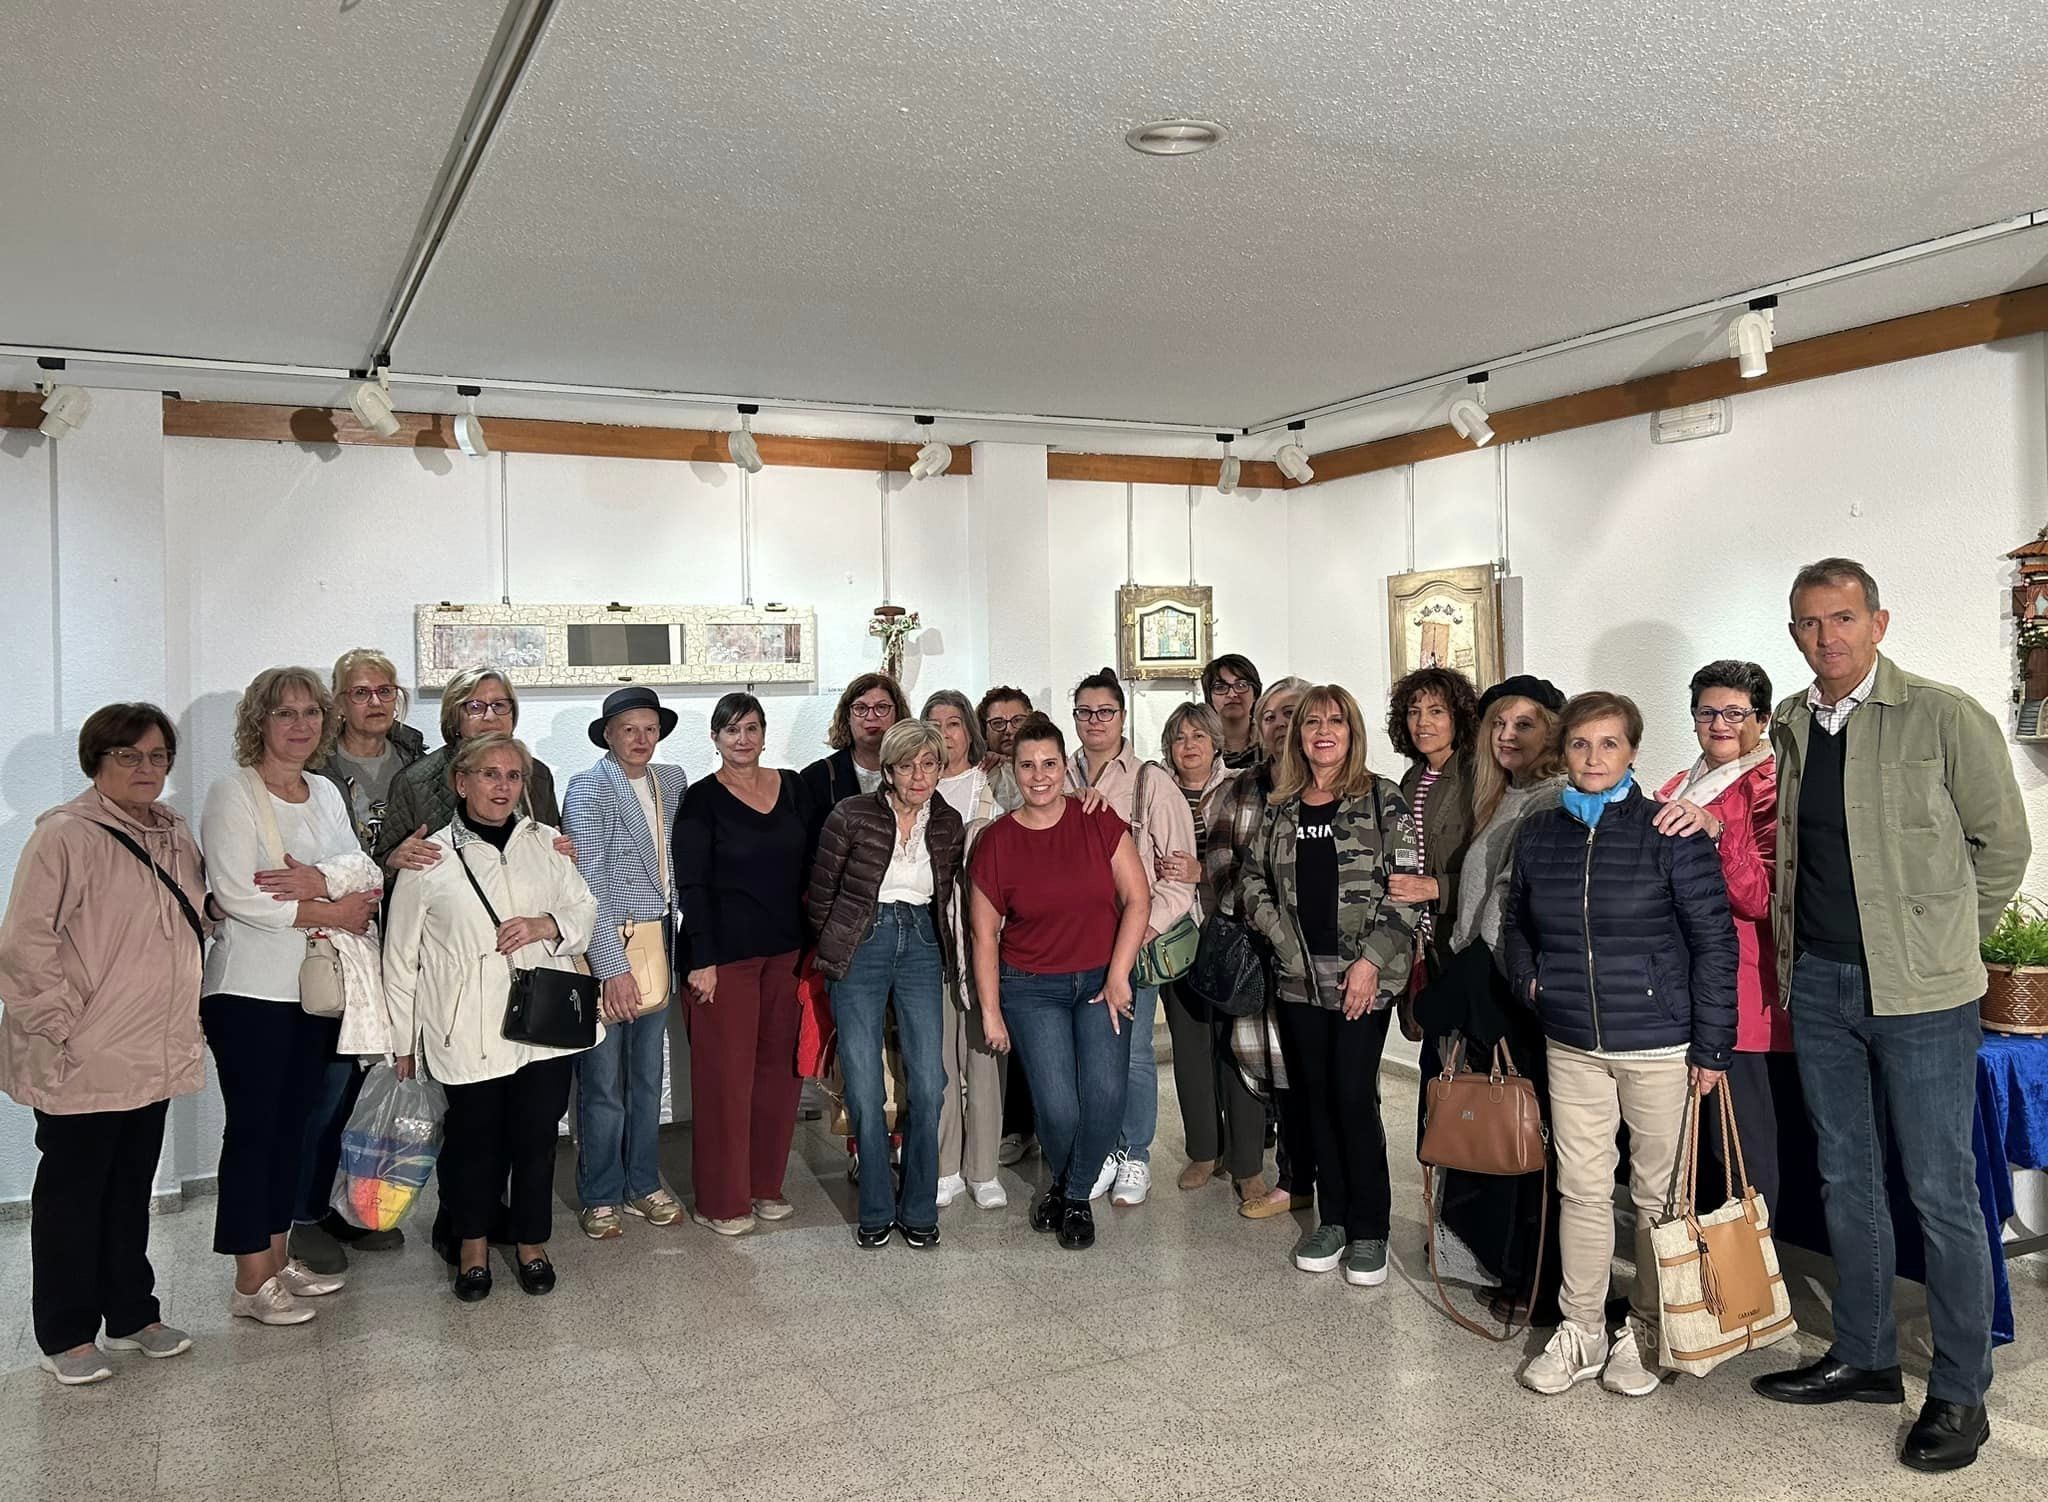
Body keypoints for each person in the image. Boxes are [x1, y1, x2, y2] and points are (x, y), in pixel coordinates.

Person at [1751, 560, 2028, 1474]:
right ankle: (1865, 1358)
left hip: (1923, 995)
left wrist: (1947, 945)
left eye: (1842, 618)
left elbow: (2003, 845)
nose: (1826, 637)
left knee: (1943, 1192)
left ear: (1877, 621)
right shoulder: (1789, 722)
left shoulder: (1943, 716)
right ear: (1794, 633)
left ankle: (1959, 1390)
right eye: (1808, 623)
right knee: (1846, 1178)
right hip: (1822, 986)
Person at [1503, 691, 1737, 1399]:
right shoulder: (1540, 832)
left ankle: (1643, 1328)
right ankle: (1579, 1329)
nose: (1593, 758)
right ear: (1563, 752)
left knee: (1658, 1199)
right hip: (1572, 1042)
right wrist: (1532, 984)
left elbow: (1714, 945)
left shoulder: (1671, 831)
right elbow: (1515, 923)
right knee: (1580, 1190)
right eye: (1580, 745)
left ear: (1633, 751)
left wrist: (1712, 1048)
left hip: (1659, 1047)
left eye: (1609, 744)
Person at [0, 704, 208, 1385]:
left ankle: (131, 1314)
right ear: (98, 762)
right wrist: (62, 1026)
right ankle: (65, 1332)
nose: (145, 769)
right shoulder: (64, 835)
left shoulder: (173, 831)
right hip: (83, 1055)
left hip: (151, 1048)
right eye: (129, 757)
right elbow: (24, 944)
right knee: (71, 1197)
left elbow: (194, 913)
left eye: (156, 757)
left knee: (129, 1190)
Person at [385, 734, 599, 1301]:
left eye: (512, 776)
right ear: (461, 782)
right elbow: (400, 957)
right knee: (472, 1145)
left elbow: (584, 909)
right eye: (489, 774)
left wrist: (548, 924)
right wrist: (402, 1041)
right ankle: (472, 1246)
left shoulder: (546, 844)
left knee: (535, 1140)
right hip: (465, 1027)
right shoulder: (428, 857)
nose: (502, 786)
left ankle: (532, 1243)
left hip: (544, 1028)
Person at [199, 667, 377, 1326]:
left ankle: (276, 1259)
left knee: (294, 1132)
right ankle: (250, 1279)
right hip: (250, 993)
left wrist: (317, 882)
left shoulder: (326, 792)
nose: (299, 725)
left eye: (308, 713)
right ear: (259, 724)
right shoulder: (232, 794)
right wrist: (330, 907)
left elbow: (361, 873)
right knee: (255, 1133)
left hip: (315, 992)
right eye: (283, 714)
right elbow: (239, 894)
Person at [1240, 685, 1421, 1290]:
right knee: (1312, 1098)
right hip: (1298, 980)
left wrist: (1370, 963)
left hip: (1361, 980)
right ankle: (1332, 1219)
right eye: (1312, 721)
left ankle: (1369, 1228)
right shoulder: (1282, 803)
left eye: (1336, 721)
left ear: (1352, 731)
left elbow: (1406, 890)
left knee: (1352, 1096)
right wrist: (1283, 943)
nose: (1323, 730)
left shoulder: (1381, 799)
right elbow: (1250, 881)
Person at [969, 714, 1151, 1250]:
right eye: (1027, 765)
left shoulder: (1096, 819)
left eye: (1050, 763)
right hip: (1029, 987)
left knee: (1106, 1095)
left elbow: (1137, 899)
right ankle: (1074, 1193)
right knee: (1057, 1107)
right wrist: (990, 1011)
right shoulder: (997, 841)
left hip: (1101, 980)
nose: (1039, 775)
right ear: (1014, 772)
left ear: (1063, 766)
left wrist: (1119, 975)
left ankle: (1068, 1193)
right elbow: (984, 937)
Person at [1419, 673, 1569, 1322]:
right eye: (1498, 724)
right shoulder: (1508, 796)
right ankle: (1505, 1262)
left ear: (1555, 730)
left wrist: (1457, 988)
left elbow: (1506, 909)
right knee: (1499, 1131)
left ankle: (1534, 1276)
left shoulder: (1552, 800)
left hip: (1509, 988)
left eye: (1525, 724)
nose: (1508, 736)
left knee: (1526, 1137)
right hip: (1485, 981)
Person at [808, 720, 965, 1247]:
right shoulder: (850, 815)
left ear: (941, 768)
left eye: (930, 764)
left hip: (921, 941)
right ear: (888, 769)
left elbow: (951, 896)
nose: (919, 776)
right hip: (862, 941)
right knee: (865, 1083)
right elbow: (820, 893)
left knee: (927, 1082)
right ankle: (876, 1205)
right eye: (907, 765)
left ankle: (919, 1207)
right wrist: (838, 946)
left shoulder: (949, 822)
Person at [292, 648, 423, 1273]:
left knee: (380, 1082)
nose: (376, 702)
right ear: (338, 702)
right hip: (339, 938)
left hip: (404, 932)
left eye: (386, 691)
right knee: (327, 1085)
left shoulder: (416, 760)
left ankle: (355, 1206)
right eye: (361, 692)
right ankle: (302, 1213)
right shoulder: (312, 768)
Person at [1651, 660, 1794, 1211]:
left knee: (1740, 1146)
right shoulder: (1674, 786)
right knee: (1688, 1143)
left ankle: (1751, 1282)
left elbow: (1762, 899)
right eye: (1707, 712)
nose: (1720, 724)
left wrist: (1718, 832)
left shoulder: (1773, 788)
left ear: (1761, 720)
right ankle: (1695, 1271)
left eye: (1735, 713)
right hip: (1677, 985)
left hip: (1742, 989)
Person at [674, 693, 813, 1235]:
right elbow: (692, 883)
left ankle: (764, 1185)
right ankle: (721, 1200)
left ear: (763, 731)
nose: (743, 739)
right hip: (723, 960)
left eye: (751, 727)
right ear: (714, 738)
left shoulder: (793, 786)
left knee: (778, 1076)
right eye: (730, 730)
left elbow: (813, 867)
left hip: (787, 953)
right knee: (724, 1081)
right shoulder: (700, 800)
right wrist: (702, 958)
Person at [1065, 667, 1197, 1207]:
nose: (1095, 721)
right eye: (1085, 712)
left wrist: (1142, 933)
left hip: (1132, 939)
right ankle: (1100, 1151)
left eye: (1106, 712)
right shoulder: (1060, 774)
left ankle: (1135, 1154)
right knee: (1088, 1055)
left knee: (1135, 1053)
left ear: (1122, 717)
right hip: (1073, 941)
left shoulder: (1150, 782)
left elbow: (1177, 880)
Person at [563, 688, 689, 1241]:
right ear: (608, 734)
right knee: (601, 1081)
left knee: (647, 1075)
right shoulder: (587, 788)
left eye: (650, 728)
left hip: (660, 941)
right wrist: (610, 966)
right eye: (629, 729)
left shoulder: (673, 782)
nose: (642, 739)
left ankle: (643, 1182)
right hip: (608, 942)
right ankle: (599, 1193)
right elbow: (588, 882)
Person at [1205, 675, 1311, 1217]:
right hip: (1256, 949)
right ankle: (1271, 1175)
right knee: (1255, 1060)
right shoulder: (1241, 789)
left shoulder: (1343, 790)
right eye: (1271, 716)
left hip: (1321, 960)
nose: (1280, 725)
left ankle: (1311, 1177)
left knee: (1316, 1071)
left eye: (1293, 714)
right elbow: (1222, 866)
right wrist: (1265, 925)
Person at [1154, 702, 1263, 1197]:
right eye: (1179, 737)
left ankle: (1247, 1163)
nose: (1189, 746)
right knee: (1191, 1046)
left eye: (1199, 735)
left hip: (1234, 932)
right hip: (1177, 934)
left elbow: (1262, 860)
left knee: (1239, 1046)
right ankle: (1204, 1149)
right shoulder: (1156, 789)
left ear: (1217, 741)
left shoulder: (1245, 785)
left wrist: (1205, 873)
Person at [923, 690, 1008, 1208]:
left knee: (982, 1051)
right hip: (929, 934)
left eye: (955, 723)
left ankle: (984, 1169)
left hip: (982, 933)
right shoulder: (913, 782)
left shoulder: (992, 783)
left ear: (968, 731)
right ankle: (945, 1165)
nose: (946, 733)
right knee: (938, 1056)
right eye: (935, 724)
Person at [376, 666, 563, 875]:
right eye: (475, 707)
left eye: (500, 705)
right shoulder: (415, 781)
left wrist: (561, 855)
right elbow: (384, 867)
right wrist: (393, 863)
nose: (490, 716)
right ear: (455, 717)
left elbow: (551, 851)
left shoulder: (537, 774)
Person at [1385, 667, 1480, 1013]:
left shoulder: (1479, 778)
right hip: (1421, 942)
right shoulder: (1411, 779)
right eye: (1414, 711)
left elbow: (1497, 870)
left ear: (1459, 718)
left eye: (1436, 711)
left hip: (1462, 939)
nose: (1422, 722)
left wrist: (1436, 888)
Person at [800, 673, 911, 838]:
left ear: (898, 714)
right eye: (861, 708)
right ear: (847, 716)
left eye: (881, 707)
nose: (871, 716)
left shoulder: (916, 771)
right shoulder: (817, 777)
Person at [1201, 654, 1265, 770]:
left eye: (1241, 685)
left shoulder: (1270, 741)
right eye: (1220, 687)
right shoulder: (1200, 746)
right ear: (1209, 698)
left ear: (1255, 693)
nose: (1232, 694)